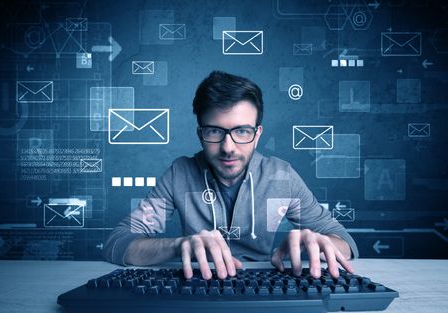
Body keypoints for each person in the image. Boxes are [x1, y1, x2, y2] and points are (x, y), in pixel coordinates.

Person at [103, 71, 359, 280]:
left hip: (264, 287)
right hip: (198, 284)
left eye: (242, 131)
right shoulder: (179, 174)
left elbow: (346, 243)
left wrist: (319, 241)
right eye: (214, 131)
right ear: (200, 133)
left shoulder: (282, 177)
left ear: (257, 134)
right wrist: (179, 245)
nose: (228, 147)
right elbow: (117, 243)